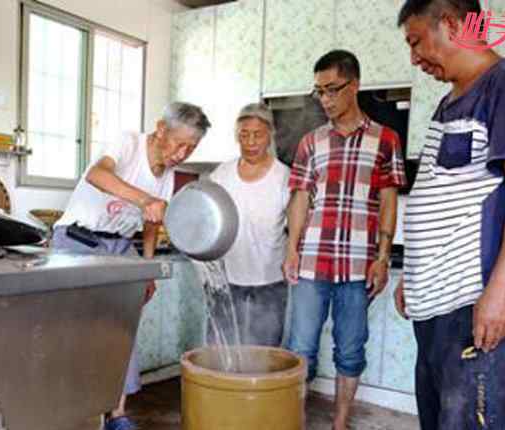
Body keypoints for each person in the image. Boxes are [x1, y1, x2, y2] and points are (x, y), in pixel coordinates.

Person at [395, 1, 505, 429]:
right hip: (432, 306)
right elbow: (442, 193)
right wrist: (414, 273)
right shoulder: (449, 102)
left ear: (450, 25)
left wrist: (499, 292)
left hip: (469, 301)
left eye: (416, 41)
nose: (414, 58)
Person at [52, 102, 211, 430]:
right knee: (74, 330)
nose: (182, 154)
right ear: (161, 129)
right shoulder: (128, 143)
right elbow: (96, 174)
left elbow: (152, 225)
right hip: (78, 241)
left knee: (122, 328)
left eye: (191, 148)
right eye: (179, 144)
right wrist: (144, 200)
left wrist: (148, 269)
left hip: (120, 246)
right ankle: (67, 414)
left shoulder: (166, 175)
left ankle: (117, 415)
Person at [283, 50, 405, 430]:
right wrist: (291, 251)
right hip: (311, 262)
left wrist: (383, 257)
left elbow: (388, 200)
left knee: (350, 350)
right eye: (318, 91)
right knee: (300, 349)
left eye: (332, 90)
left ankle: (340, 424)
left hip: (358, 264)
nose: (325, 99)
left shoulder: (385, 140)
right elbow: (300, 198)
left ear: (354, 85)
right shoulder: (310, 141)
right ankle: (295, 422)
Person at [207, 103, 290, 348]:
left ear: (270, 136)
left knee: (265, 352)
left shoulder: (284, 176)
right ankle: (221, 388)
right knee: (220, 349)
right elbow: (207, 218)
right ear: (236, 137)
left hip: (270, 279)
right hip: (227, 277)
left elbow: (296, 224)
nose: (251, 141)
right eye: (244, 134)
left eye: (258, 134)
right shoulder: (221, 174)